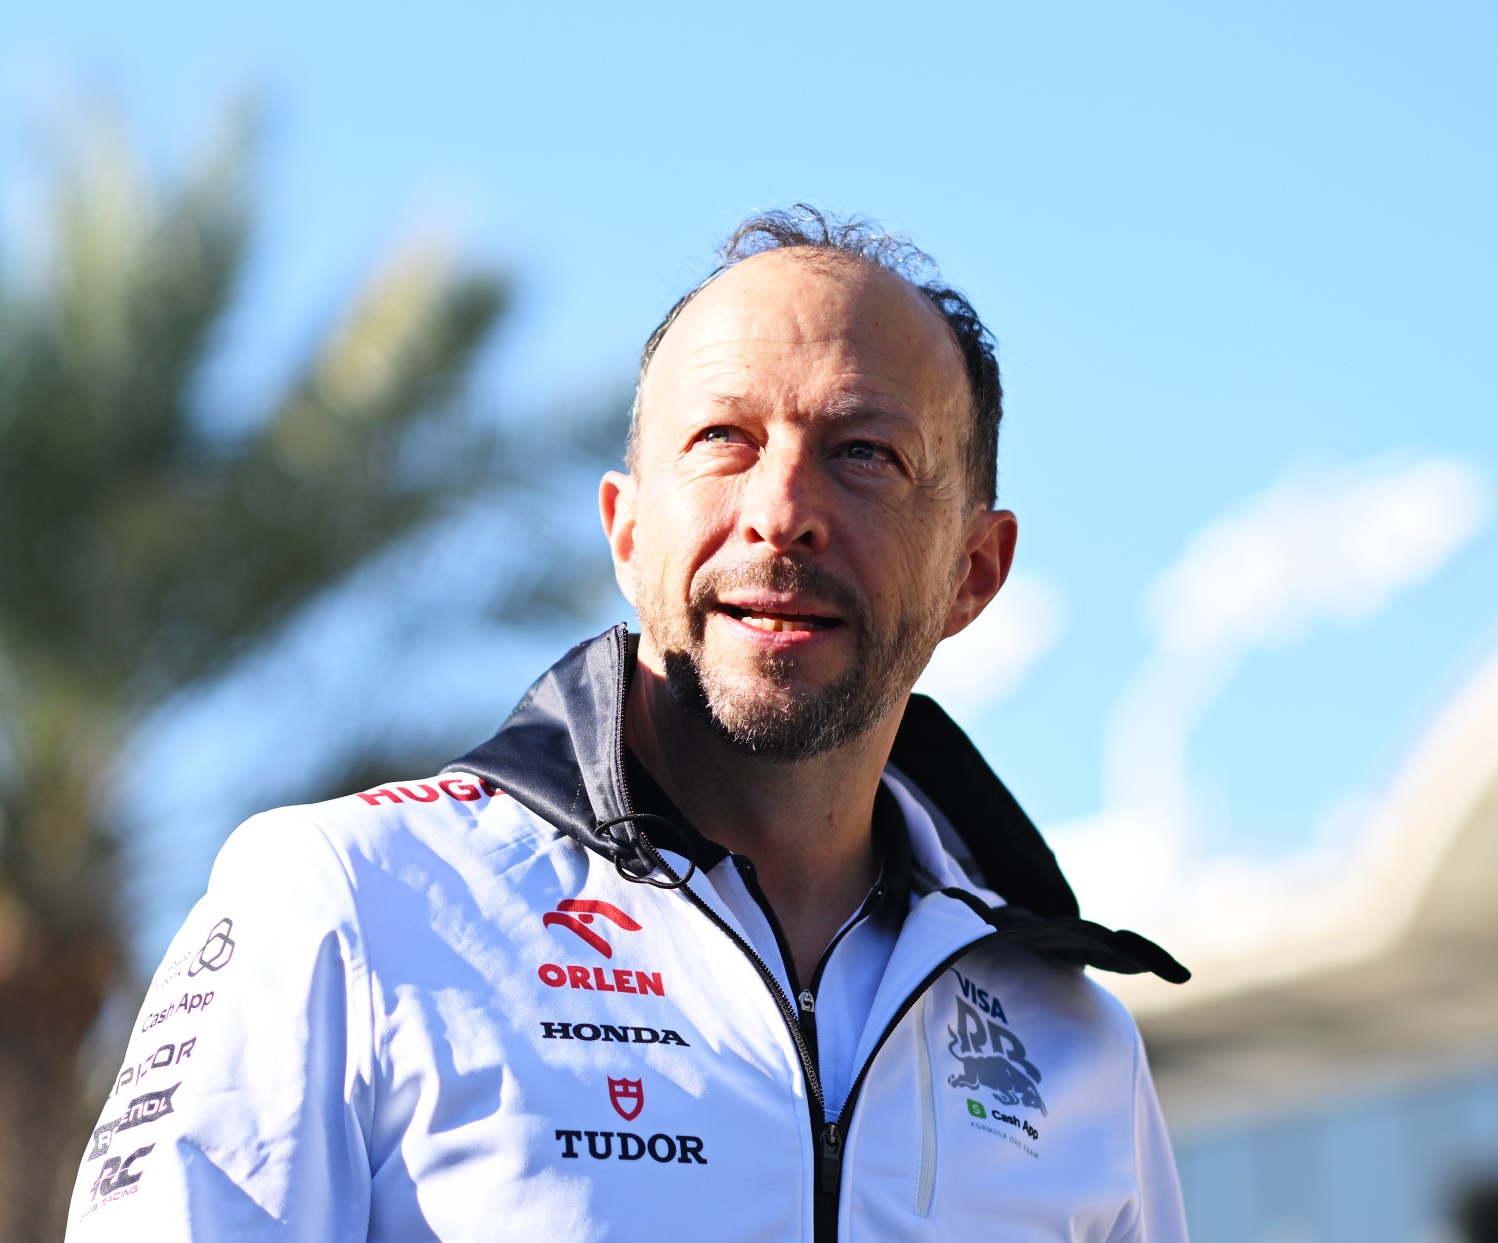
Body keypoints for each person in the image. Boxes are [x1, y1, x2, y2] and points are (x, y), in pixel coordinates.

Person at [66, 207, 1191, 1241]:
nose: (782, 513)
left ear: (973, 572)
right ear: (627, 530)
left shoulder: (1076, 1048)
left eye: (865, 454)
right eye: (723, 440)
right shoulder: (346, 905)